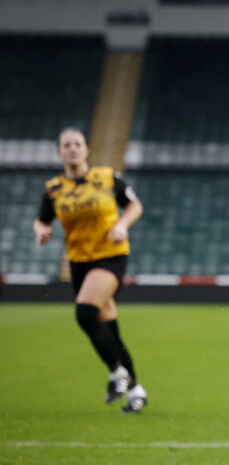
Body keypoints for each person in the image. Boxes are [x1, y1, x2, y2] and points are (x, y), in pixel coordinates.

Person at [33, 127, 148, 413]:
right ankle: (136, 389)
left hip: (110, 256)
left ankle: (116, 373)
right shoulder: (53, 189)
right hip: (79, 262)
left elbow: (134, 206)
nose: (73, 148)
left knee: (85, 312)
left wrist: (122, 225)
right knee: (110, 329)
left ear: (86, 150)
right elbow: (42, 220)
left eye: (78, 144)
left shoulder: (107, 178)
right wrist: (41, 231)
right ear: (59, 151)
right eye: (67, 144)